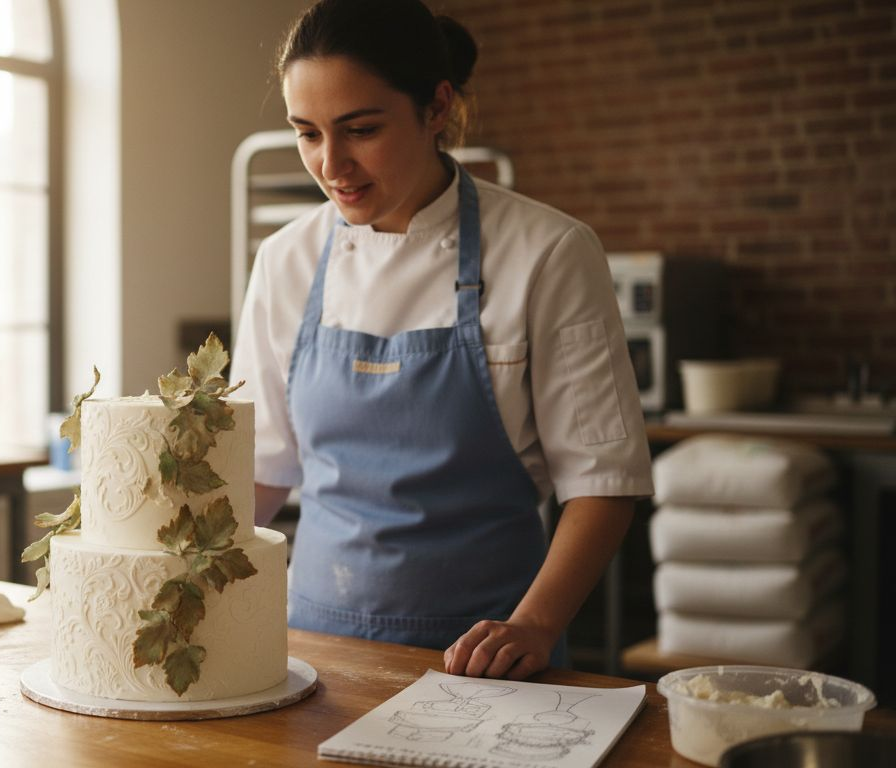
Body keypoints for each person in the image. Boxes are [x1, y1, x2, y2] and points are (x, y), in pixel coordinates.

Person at [231, 0, 654, 681]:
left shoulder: (547, 252)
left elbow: (604, 483)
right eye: (307, 133)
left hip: (487, 661)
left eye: (361, 129)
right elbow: (260, 470)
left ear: (436, 108)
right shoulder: (287, 259)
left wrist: (534, 625)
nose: (331, 164)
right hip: (313, 652)